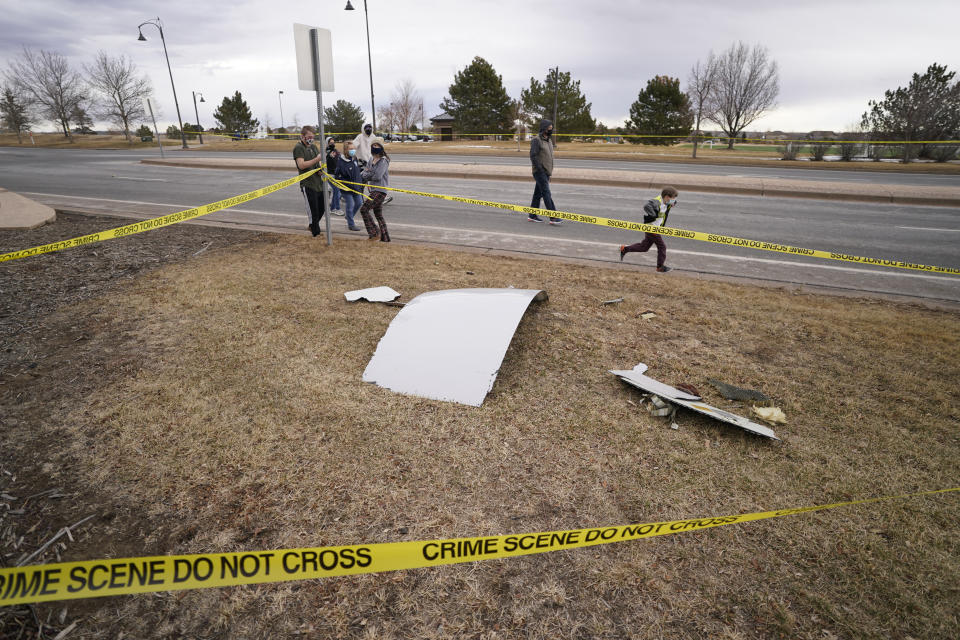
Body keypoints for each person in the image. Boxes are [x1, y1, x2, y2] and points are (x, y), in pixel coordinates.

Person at [619, 186, 678, 272]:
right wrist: (653, 215)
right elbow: (646, 206)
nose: (673, 200)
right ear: (666, 197)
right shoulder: (657, 202)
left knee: (644, 247)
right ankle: (660, 267)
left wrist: (673, 203)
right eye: (672, 199)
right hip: (651, 228)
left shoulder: (667, 202)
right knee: (662, 247)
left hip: (657, 227)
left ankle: (624, 249)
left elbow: (673, 202)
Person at [292, 125, 326, 237]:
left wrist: (319, 170)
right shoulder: (298, 147)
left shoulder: (314, 147)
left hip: (318, 183)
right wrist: (317, 159)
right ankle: (316, 233)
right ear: (303, 136)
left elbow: (317, 164)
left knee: (323, 207)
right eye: (309, 136)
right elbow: (301, 165)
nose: (311, 139)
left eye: (313, 136)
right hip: (308, 184)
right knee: (313, 210)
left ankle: (312, 226)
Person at [528, 119, 561, 225]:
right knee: (546, 193)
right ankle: (553, 217)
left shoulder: (549, 140)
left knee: (537, 194)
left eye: (552, 128)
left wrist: (548, 172)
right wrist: (540, 169)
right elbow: (533, 156)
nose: (551, 130)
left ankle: (532, 215)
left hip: (546, 172)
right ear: (544, 128)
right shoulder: (536, 140)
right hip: (539, 172)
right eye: (549, 128)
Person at [358, 141, 391, 242]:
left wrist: (368, 173)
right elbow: (363, 173)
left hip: (380, 191)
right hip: (373, 190)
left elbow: (377, 176)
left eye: (377, 146)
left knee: (364, 209)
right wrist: (368, 173)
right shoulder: (371, 159)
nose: (375, 148)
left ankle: (374, 233)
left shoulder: (384, 161)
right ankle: (385, 238)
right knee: (378, 214)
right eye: (373, 147)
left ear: (381, 149)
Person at [352, 123, 393, 204]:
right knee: (361, 181)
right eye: (366, 127)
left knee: (373, 181)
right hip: (362, 162)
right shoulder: (360, 137)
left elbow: (379, 145)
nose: (368, 129)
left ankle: (379, 198)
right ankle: (358, 198)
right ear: (363, 128)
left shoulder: (373, 137)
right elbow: (354, 146)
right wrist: (352, 155)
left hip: (372, 161)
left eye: (370, 127)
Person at [335, 140, 365, 231]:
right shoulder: (341, 162)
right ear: (346, 150)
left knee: (359, 203)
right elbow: (338, 177)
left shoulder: (354, 158)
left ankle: (349, 216)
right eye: (351, 149)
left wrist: (361, 169)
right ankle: (351, 224)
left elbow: (355, 171)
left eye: (354, 148)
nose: (353, 150)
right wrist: (346, 183)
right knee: (350, 204)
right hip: (346, 189)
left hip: (356, 188)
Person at [325, 137, 344, 216]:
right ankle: (335, 208)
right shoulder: (326, 152)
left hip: (336, 174)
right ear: (327, 143)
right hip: (329, 174)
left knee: (338, 192)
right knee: (336, 190)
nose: (332, 144)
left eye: (333, 142)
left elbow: (340, 159)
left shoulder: (336, 151)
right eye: (331, 143)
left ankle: (332, 206)